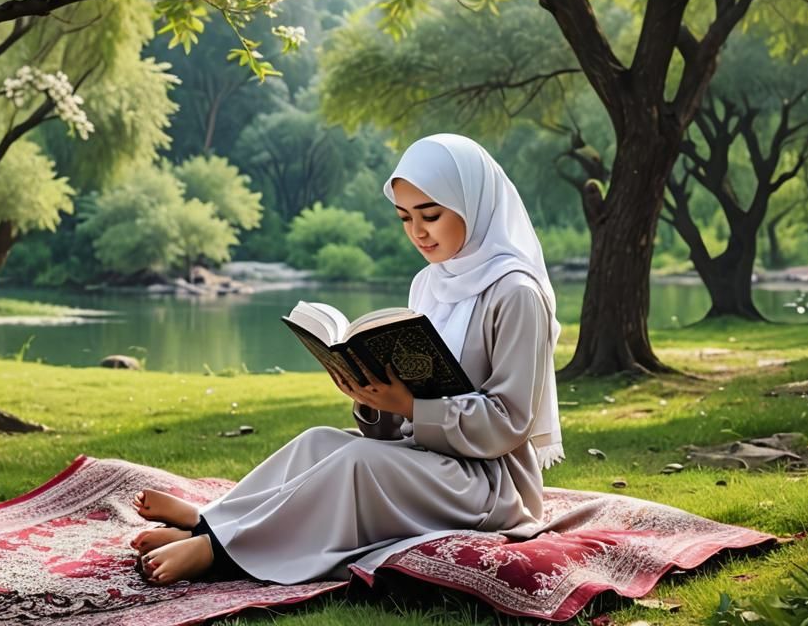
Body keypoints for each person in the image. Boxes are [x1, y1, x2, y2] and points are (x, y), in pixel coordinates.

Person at [130, 133, 563, 585]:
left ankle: (217, 551)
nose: (417, 231)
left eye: (431, 215)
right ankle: (211, 520)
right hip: (428, 459)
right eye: (404, 217)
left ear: (474, 205)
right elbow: (401, 417)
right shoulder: (429, 284)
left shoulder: (517, 294)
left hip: (491, 484)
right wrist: (371, 395)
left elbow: (510, 420)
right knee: (318, 441)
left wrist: (412, 407)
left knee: (357, 462)